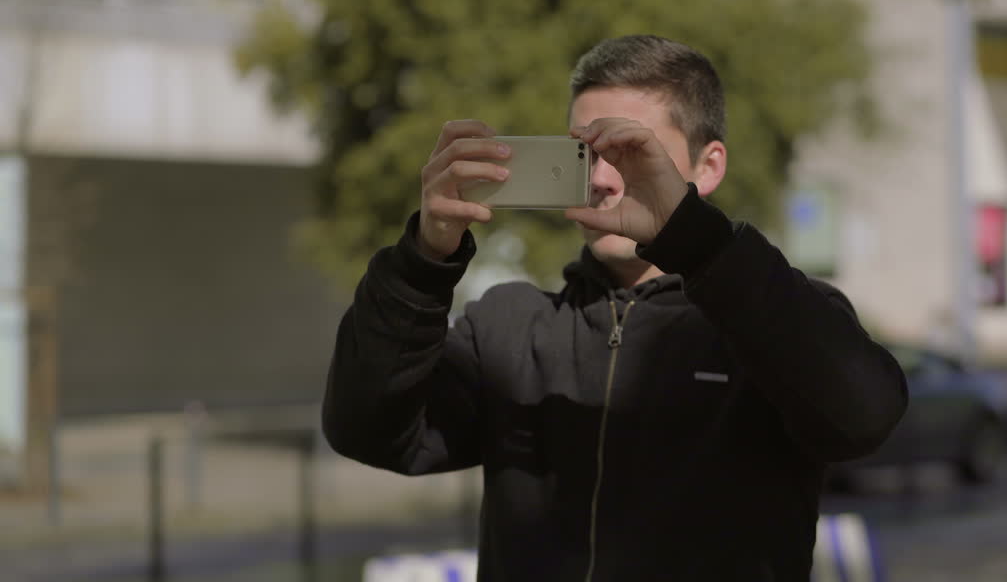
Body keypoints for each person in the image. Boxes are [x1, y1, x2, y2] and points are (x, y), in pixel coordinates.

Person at [322, 35, 908, 581]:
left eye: (628, 152)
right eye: (582, 153)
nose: (601, 180)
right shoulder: (510, 325)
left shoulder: (766, 320)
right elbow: (366, 431)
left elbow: (864, 416)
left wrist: (696, 240)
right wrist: (423, 259)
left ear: (708, 167)